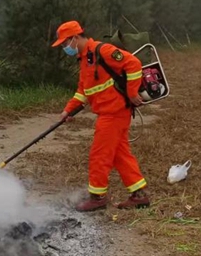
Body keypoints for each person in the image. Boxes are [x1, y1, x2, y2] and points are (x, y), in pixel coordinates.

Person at [52, 20, 150, 211]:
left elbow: (134, 64)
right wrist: (68, 110)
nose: (65, 48)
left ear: (75, 38)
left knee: (99, 155)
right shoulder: (84, 59)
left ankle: (97, 198)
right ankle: (139, 195)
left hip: (113, 113)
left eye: (65, 43)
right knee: (120, 155)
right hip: (111, 113)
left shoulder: (102, 50)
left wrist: (131, 93)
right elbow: (83, 91)